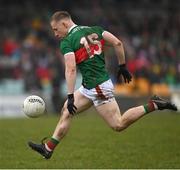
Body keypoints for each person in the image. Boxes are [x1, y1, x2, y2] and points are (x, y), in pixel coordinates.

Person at [28, 11, 177, 159]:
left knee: (118, 124)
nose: (55, 33)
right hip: (89, 85)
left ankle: (154, 105)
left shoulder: (67, 42)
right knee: (66, 111)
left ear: (64, 24)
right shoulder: (95, 30)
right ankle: (48, 148)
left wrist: (70, 94)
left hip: (97, 87)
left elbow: (71, 68)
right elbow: (117, 43)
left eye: (55, 29)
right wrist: (122, 66)